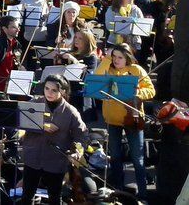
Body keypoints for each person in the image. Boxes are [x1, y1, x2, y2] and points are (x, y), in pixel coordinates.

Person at [95, 43, 155, 199]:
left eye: (119, 57)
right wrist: (106, 59)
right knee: (115, 157)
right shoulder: (108, 69)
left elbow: (151, 90)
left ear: (127, 58)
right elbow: (97, 77)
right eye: (113, 56)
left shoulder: (137, 70)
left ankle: (142, 195)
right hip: (112, 119)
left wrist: (138, 92)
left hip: (132, 119)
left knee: (137, 159)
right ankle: (118, 192)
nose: (116, 60)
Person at [19, 75, 86, 205]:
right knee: (27, 196)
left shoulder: (71, 111)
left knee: (55, 198)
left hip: (55, 160)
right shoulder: (34, 104)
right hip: (33, 156)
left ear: (63, 91)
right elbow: (21, 123)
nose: (49, 92)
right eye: (47, 88)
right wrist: (42, 125)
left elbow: (81, 135)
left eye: (54, 90)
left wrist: (77, 151)